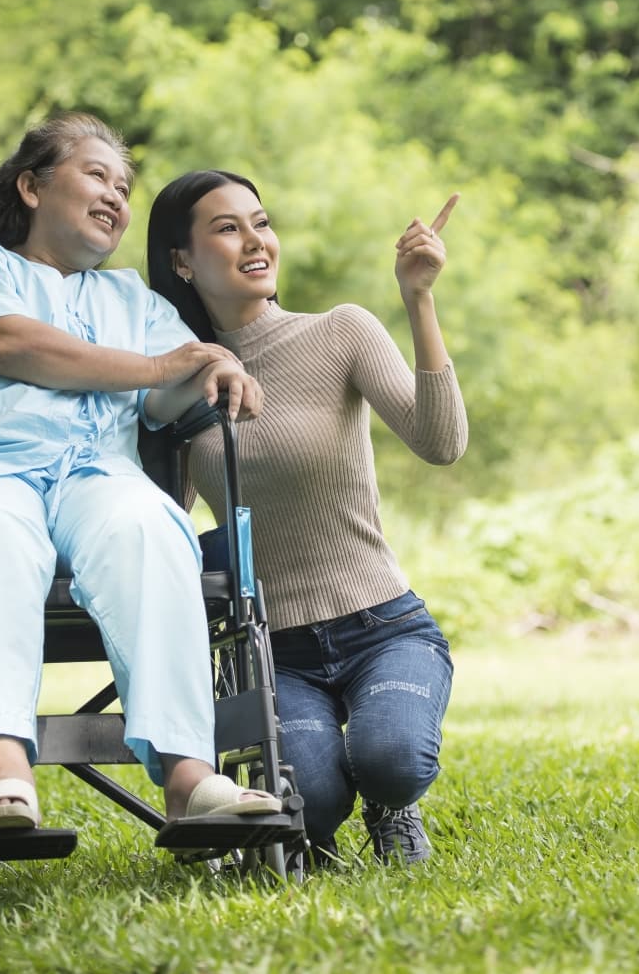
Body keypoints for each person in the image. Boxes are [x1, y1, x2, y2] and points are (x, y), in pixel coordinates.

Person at [0, 114, 282, 834]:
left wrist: (213, 364)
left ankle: (189, 773)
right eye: (97, 174)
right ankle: (6, 770)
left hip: (97, 476)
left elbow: (174, 387)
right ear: (32, 185)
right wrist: (166, 362)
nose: (115, 194)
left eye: (124, 185)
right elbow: (7, 341)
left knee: (151, 524)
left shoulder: (131, 300)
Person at [145, 170, 467, 865]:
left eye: (261, 222)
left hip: (382, 625)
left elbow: (440, 444)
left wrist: (419, 298)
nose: (256, 240)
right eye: (228, 228)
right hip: (273, 649)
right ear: (181, 260)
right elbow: (162, 522)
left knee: (392, 757)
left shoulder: (340, 330)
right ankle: (315, 826)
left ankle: (392, 804)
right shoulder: (177, 383)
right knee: (311, 799)